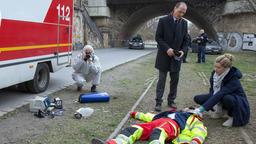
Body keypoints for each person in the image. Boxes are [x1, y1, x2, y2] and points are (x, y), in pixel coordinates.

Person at [193, 54, 250, 127]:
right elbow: (212, 91)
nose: (215, 69)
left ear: (226, 68)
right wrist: (211, 104)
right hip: (220, 95)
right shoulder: (214, 74)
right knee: (198, 98)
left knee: (226, 98)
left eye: (218, 67)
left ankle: (232, 116)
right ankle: (220, 111)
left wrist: (201, 109)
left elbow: (221, 93)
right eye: (215, 66)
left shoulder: (233, 78)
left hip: (237, 101)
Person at [95, 108, 207, 144]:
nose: (186, 108)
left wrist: (196, 141)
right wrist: (137, 114)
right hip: (158, 122)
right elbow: (150, 117)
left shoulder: (193, 119)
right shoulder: (172, 113)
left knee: (158, 132)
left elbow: (199, 131)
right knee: (133, 129)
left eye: (190, 109)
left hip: (172, 126)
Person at [155, 2, 189, 111]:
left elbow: (186, 40)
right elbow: (158, 37)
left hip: (177, 58)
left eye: (183, 13)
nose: (181, 14)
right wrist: (167, 49)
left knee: (175, 81)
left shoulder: (184, 23)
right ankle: (158, 102)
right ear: (175, 8)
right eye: (180, 11)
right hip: (163, 56)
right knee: (161, 81)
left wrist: (183, 51)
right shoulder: (163, 21)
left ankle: (171, 101)